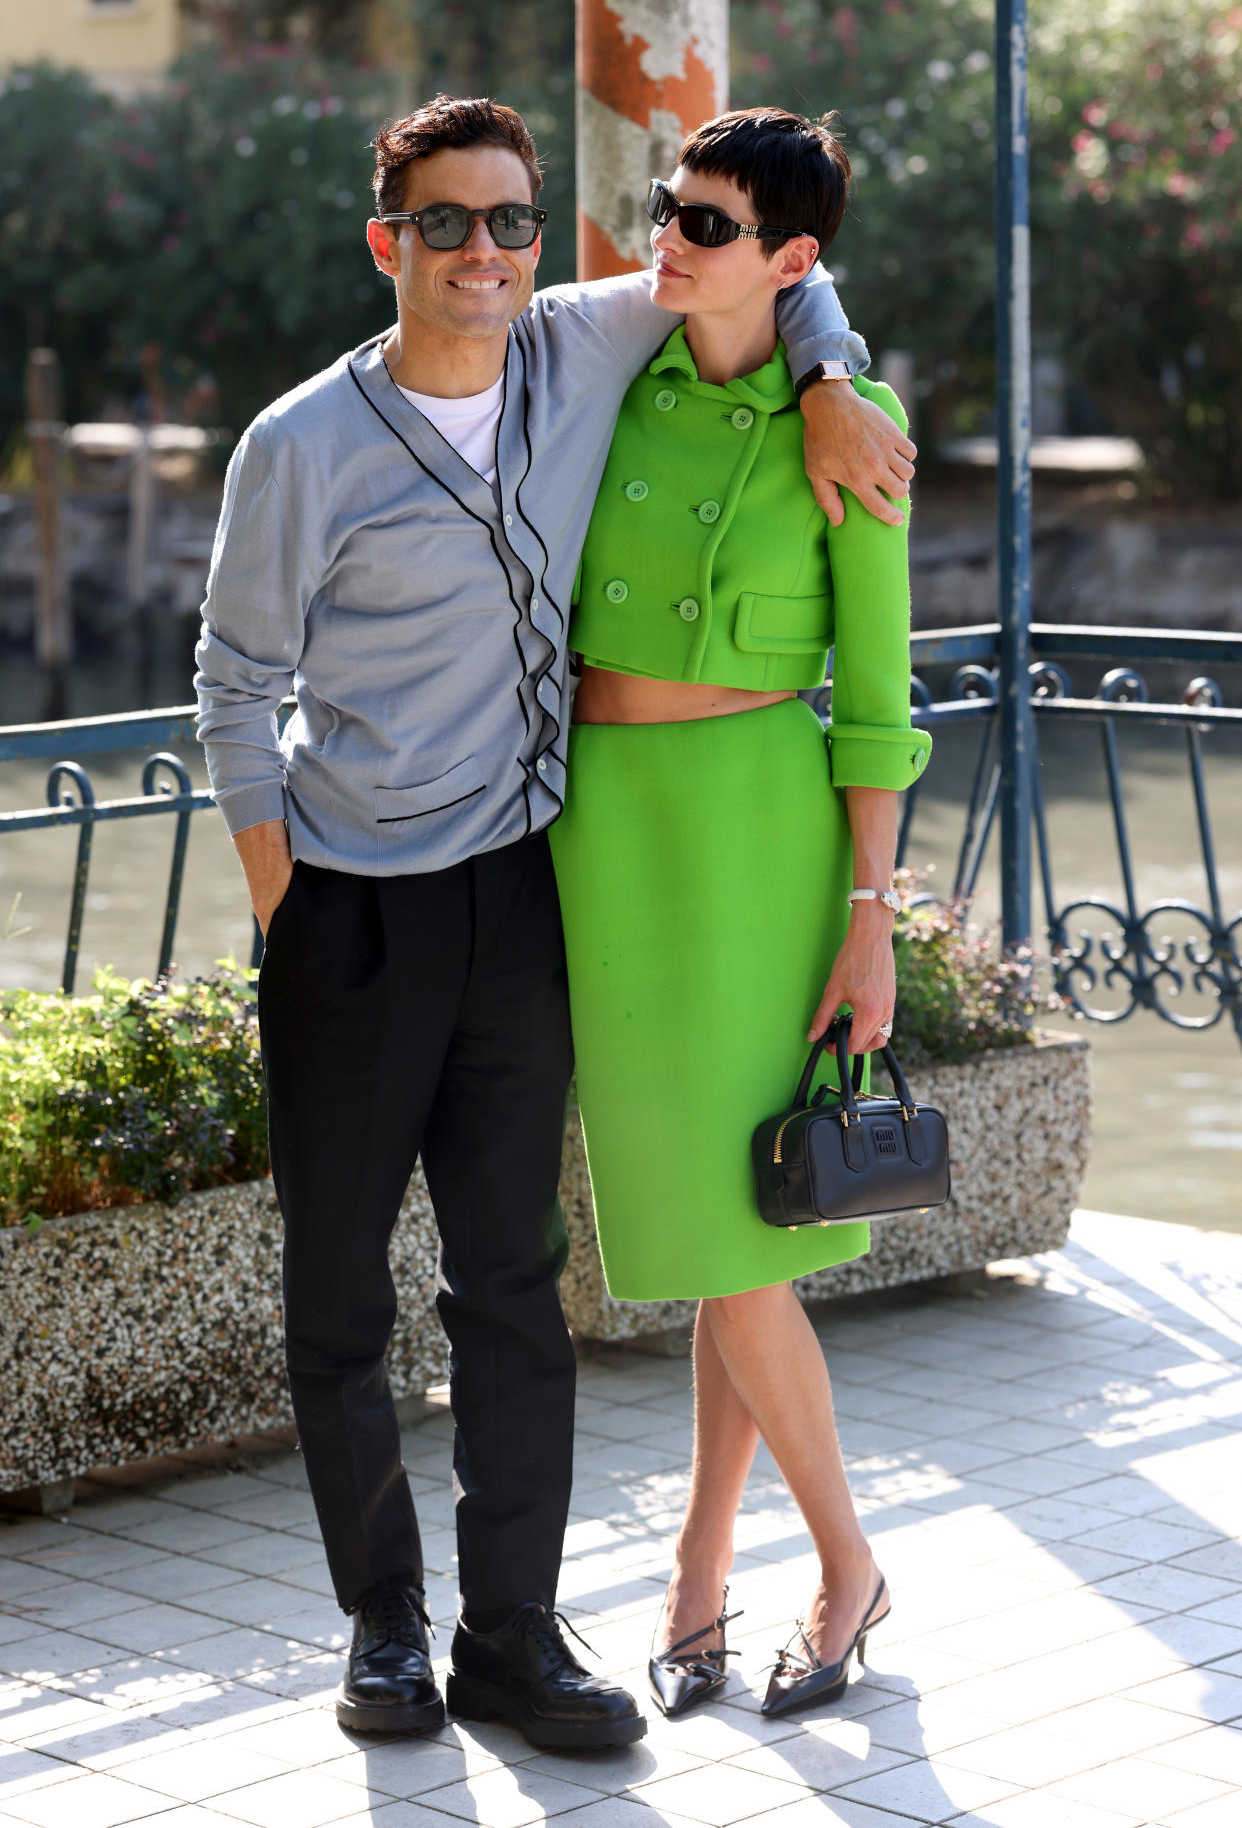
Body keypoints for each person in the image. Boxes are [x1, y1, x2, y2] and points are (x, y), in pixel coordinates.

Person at [194, 93, 916, 1750]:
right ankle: (385, 1625)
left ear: (538, 240)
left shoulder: (581, 343)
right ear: (388, 243)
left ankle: (512, 1630)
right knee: (338, 1294)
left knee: (515, 1281)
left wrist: (823, 378)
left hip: (532, 883)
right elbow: (232, 688)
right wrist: (285, 902)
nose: (484, 250)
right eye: (442, 223)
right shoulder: (298, 442)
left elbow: (779, 276)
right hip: (356, 907)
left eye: (512, 221)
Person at [549, 107, 932, 1722]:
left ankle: (840, 1564)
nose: (669, 237)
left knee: (739, 1241)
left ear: (789, 259)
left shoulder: (850, 426)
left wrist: (868, 913)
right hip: (603, 831)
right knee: (720, 1235)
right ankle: (700, 1568)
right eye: (666, 206)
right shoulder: (611, 371)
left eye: (707, 223)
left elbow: (876, 696)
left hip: (758, 839)